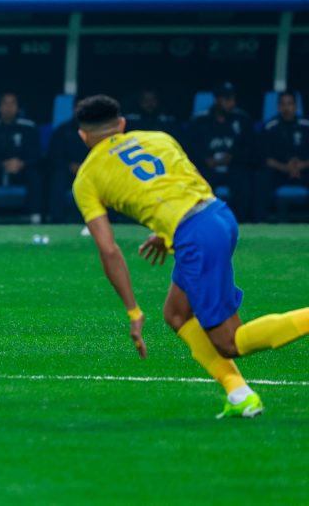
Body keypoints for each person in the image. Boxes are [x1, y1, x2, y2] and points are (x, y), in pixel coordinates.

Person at [71, 94, 309, 418]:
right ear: (122, 125)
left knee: (229, 342)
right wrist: (165, 230)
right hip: (218, 215)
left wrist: (133, 311)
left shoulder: (86, 178)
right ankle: (240, 394)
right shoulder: (158, 137)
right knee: (176, 313)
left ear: (83, 135)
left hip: (195, 235)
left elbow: (109, 249)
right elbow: (184, 183)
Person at [187, 82, 254, 221]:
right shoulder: (199, 121)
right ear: (217, 100)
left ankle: (241, 223)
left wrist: (233, 158)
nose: (232, 103)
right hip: (207, 168)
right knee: (199, 185)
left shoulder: (242, 119)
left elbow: (250, 148)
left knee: (244, 185)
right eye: (227, 99)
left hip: (233, 167)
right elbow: (190, 148)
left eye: (233, 99)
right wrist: (205, 160)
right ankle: (202, 223)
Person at [0, 92, 42, 224]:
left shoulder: (29, 126)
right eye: (5, 103)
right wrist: (3, 164)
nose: (9, 107)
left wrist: (21, 164)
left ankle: (36, 215)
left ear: (18, 107)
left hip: (22, 169)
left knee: (36, 173)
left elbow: (35, 154)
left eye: (12, 103)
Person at [260, 91, 309, 213]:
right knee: (262, 177)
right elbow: (265, 158)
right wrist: (286, 168)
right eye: (282, 104)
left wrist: (303, 165)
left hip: (303, 170)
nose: (286, 108)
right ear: (278, 107)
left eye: (290, 104)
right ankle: (261, 220)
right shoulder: (270, 127)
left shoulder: (306, 125)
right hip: (279, 171)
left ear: (296, 107)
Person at [47, 116, 88, 223]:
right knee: (58, 178)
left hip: (90, 171)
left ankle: (110, 220)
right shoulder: (62, 130)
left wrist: (86, 166)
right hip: (67, 171)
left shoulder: (97, 131)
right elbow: (54, 156)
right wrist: (69, 166)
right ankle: (57, 220)